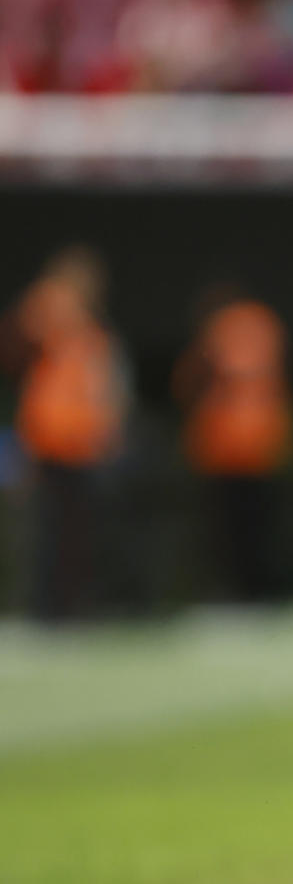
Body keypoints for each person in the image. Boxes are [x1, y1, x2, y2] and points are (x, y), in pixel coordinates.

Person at [5, 246, 129, 621]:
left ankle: (76, 606)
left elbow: (106, 388)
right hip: (48, 439)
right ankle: (47, 610)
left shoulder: (93, 335)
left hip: (84, 443)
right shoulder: (46, 311)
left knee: (80, 530)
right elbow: (15, 345)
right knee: (47, 528)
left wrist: (110, 429)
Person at [173, 283, 293, 602]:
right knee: (262, 524)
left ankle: (236, 592)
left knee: (228, 530)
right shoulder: (266, 324)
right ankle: (263, 591)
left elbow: (192, 380)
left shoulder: (218, 330)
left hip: (225, 445)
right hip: (264, 440)